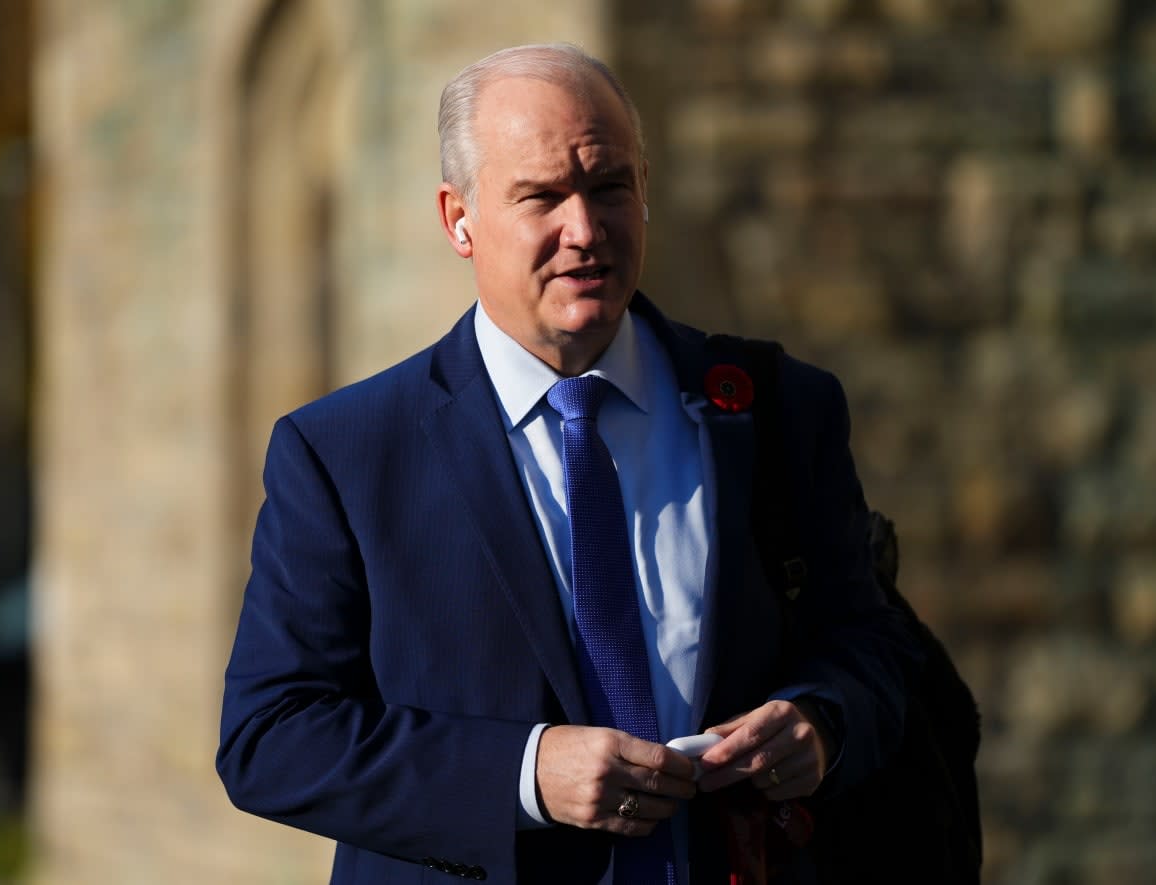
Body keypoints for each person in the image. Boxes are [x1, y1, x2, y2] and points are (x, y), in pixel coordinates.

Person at [217, 43, 918, 885]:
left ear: (646, 190)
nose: (584, 230)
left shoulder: (774, 408)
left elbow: (874, 645)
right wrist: (525, 773)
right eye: (542, 196)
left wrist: (822, 721)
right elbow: (271, 736)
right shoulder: (346, 453)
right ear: (458, 219)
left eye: (610, 187)